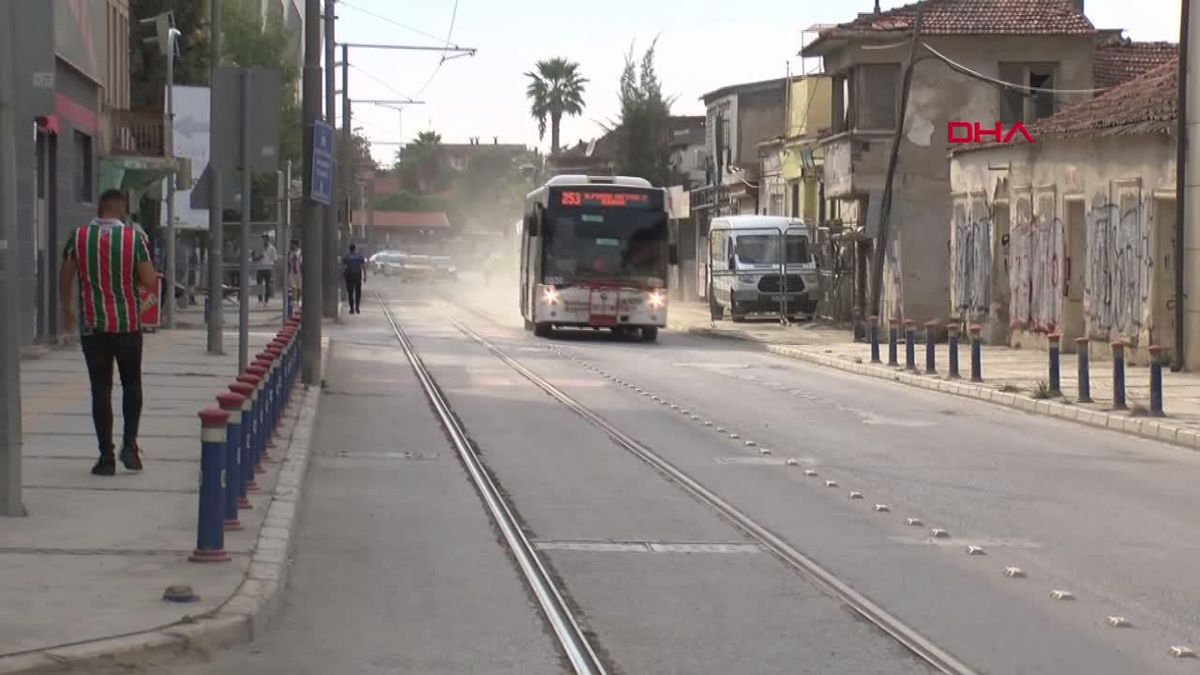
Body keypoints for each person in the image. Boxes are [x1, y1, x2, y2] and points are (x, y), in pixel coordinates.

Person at [59, 189, 158, 476]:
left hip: (93, 327)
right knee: (132, 385)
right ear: (121, 208)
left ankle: (106, 457)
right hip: (127, 325)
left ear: (99, 208)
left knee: (100, 390)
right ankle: (130, 445)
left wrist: (67, 310)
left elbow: (65, 278)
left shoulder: (78, 238)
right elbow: (149, 280)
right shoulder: (133, 239)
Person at [342, 244, 367, 314]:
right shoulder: (359, 256)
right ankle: (357, 307)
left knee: (350, 293)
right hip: (357, 275)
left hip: (349, 275)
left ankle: (351, 309)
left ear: (349, 249)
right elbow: (363, 266)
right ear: (355, 249)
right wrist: (365, 276)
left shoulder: (347, 257)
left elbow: (344, 267)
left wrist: (342, 275)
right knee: (358, 292)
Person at [257, 234, 277, 305]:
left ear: (268, 240)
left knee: (267, 285)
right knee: (259, 284)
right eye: (263, 239)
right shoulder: (260, 247)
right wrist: (259, 257)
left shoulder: (272, 248)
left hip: (268, 268)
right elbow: (255, 258)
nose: (264, 241)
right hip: (260, 268)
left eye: (265, 239)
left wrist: (273, 269)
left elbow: (275, 259)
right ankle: (260, 299)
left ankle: (266, 300)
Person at [287, 239, 302, 308]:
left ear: (295, 244)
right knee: (293, 287)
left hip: (299, 271)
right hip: (292, 271)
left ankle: (298, 301)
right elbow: (288, 261)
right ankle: (294, 300)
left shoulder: (300, 252)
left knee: (299, 287)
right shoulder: (290, 252)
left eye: (292, 244)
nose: (291, 245)